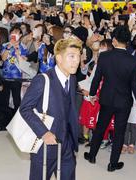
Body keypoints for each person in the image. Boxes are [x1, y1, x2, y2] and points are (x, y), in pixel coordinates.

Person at [20, 37, 82, 180]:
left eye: (78, 56)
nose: (76, 61)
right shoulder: (42, 80)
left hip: (67, 143)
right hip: (45, 145)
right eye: (71, 56)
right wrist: (44, 132)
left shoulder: (72, 79)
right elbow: (25, 108)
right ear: (59, 58)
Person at [84, 25, 136, 172]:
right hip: (124, 102)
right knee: (119, 132)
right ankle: (113, 164)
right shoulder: (133, 60)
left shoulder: (104, 56)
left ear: (115, 40)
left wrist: (92, 94)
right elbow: (135, 85)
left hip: (107, 99)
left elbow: (97, 78)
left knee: (100, 127)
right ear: (127, 42)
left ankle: (92, 155)